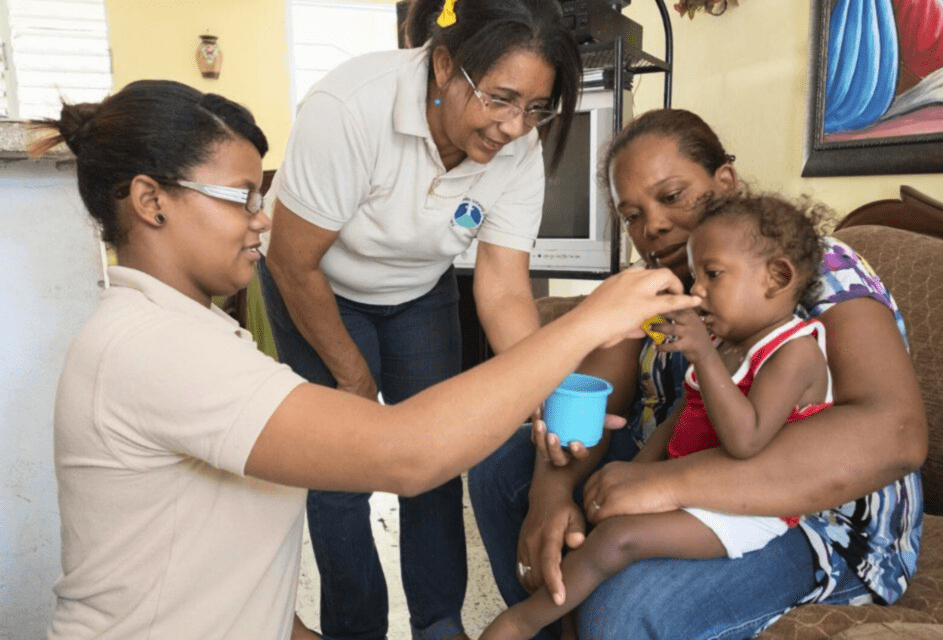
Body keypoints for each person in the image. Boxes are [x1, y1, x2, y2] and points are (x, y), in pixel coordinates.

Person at [34, 81, 699, 640]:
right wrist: (588, 321)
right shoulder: (155, 348)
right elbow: (406, 454)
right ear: (152, 201)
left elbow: (228, 581)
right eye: (242, 198)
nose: (261, 221)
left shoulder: (196, 334)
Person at [468, 108, 927, 640]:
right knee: (503, 467)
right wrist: (549, 498)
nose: (653, 226)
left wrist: (660, 484)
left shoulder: (814, 271)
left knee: (622, 607)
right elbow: (587, 399)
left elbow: (895, 433)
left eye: (671, 196)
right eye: (631, 214)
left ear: (723, 182)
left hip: (821, 522)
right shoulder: (649, 288)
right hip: (683, 478)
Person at [257, 0, 582, 638]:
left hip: (417, 291)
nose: (515, 127)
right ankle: (356, 628)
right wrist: (354, 383)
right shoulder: (352, 108)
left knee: (435, 460)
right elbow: (294, 263)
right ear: (443, 65)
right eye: (500, 99)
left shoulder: (518, 147)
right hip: (316, 284)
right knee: (342, 473)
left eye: (535, 108)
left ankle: (439, 624)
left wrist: (543, 391)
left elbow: (504, 287)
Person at [478, 191, 834, 640]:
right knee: (592, 527)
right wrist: (633, 473)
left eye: (713, 274)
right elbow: (682, 418)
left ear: (777, 277)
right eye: (696, 273)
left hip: (750, 512)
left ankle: (521, 622)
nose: (698, 289)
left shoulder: (794, 353)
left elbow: (747, 440)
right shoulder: (730, 343)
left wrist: (702, 355)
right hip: (696, 489)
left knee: (616, 542)